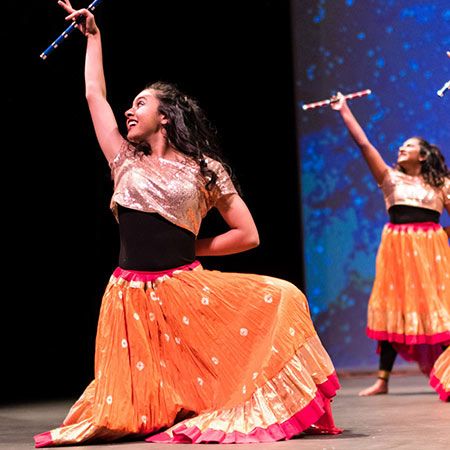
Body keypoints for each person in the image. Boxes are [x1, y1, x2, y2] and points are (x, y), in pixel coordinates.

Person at [34, 2, 342, 446]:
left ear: (165, 116)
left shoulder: (206, 169)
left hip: (185, 288)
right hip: (128, 297)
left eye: (140, 104)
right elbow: (93, 96)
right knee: (128, 416)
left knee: (284, 296)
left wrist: (191, 249)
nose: (129, 111)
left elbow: (248, 235)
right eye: (130, 105)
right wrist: (94, 38)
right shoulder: (123, 161)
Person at [329, 92, 450, 397]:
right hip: (397, 254)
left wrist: (438, 238)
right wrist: (344, 110)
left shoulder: (442, 185)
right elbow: (364, 144)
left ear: (423, 156)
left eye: (408, 146)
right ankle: (382, 380)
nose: (401, 148)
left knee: (440, 310)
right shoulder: (390, 179)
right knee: (394, 309)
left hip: (431, 256)